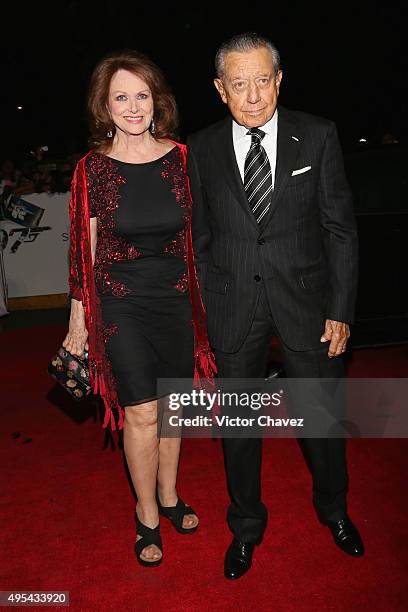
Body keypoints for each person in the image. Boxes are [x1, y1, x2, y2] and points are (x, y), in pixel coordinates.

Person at [187, 32, 363, 580]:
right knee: (238, 429)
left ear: (279, 80)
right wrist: (200, 316)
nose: (254, 94)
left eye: (263, 80)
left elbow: (339, 229)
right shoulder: (202, 149)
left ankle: (334, 509)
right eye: (239, 84)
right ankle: (245, 527)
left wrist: (341, 308)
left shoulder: (318, 135)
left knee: (321, 419)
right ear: (220, 90)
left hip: (308, 304)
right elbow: (199, 237)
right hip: (232, 304)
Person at [63, 50, 215, 567]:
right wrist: (77, 324)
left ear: (157, 101)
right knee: (141, 411)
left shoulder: (182, 157)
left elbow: (203, 236)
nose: (132, 107)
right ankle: (147, 513)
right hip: (120, 303)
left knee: (173, 407)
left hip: (176, 299)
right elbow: (82, 254)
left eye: (141, 95)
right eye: (120, 97)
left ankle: (170, 496)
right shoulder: (92, 169)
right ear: (104, 106)